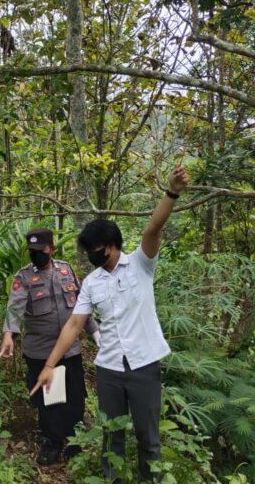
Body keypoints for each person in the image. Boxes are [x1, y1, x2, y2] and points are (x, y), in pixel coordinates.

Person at [31, 164, 189, 483]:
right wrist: (49, 365)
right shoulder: (91, 282)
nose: (93, 255)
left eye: (97, 250)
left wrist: (171, 192)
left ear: (113, 244)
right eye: (89, 251)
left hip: (144, 366)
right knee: (110, 437)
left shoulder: (140, 266)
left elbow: (152, 230)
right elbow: (75, 325)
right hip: (109, 370)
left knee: (148, 439)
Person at [0, 227, 101, 465]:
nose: (37, 255)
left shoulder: (66, 270)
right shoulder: (23, 277)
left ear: (52, 249)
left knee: (75, 397)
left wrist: (94, 330)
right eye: (32, 252)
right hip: (41, 351)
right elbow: (14, 308)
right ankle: (52, 442)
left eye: (41, 251)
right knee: (50, 400)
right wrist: (8, 335)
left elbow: (81, 305)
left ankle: (74, 438)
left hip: (71, 349)